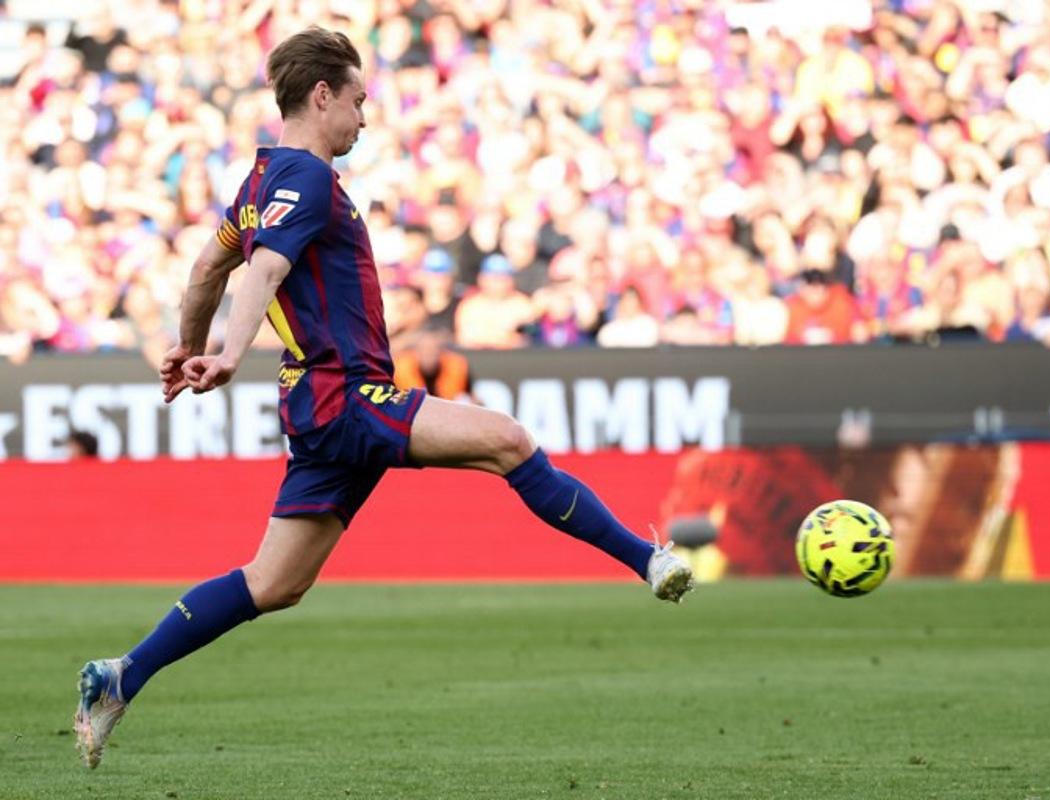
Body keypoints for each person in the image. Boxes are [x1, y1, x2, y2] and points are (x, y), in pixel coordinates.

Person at [72, 27, 693, 770]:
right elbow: (261, 270)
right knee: (510, 441)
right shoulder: (304, 177)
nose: (366, 117)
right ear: (322, 94)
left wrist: (188, 343)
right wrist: (225, 355)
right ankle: (646, 562)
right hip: (347, 393)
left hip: (318, 406)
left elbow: (209, 267)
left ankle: (119, 677)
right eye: (360, 100)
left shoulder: (260, 181)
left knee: (273, 584)